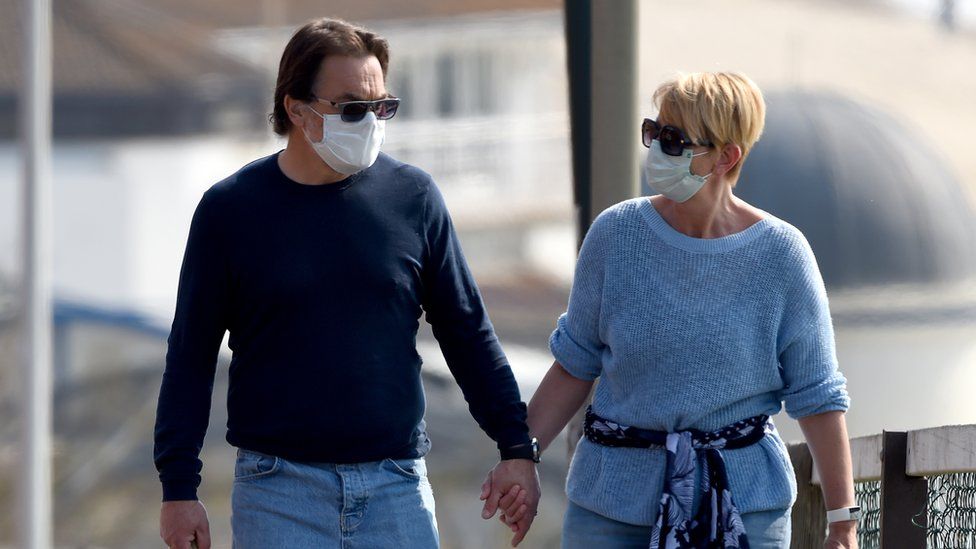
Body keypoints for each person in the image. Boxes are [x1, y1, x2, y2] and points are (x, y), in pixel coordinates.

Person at [154, 18, 540, 549]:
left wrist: (517, 449)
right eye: (353, 107)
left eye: (382, 107)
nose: (372, 121)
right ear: (296, 108)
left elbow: (467, 333)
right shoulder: (231, 210)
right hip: (277, 490)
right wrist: (178, 488)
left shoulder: (415, 198)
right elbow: (191, 355)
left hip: (397, 485)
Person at [500, 72, 857, 548]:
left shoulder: (782, 255)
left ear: (727, 156)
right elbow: (574, 364)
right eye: (654, 133)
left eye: (674, 139)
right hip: (609, 507)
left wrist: (843, 522)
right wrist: (521, 456)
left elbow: (818, 397)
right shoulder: (615, 234)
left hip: (742, 506)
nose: (656, 150)